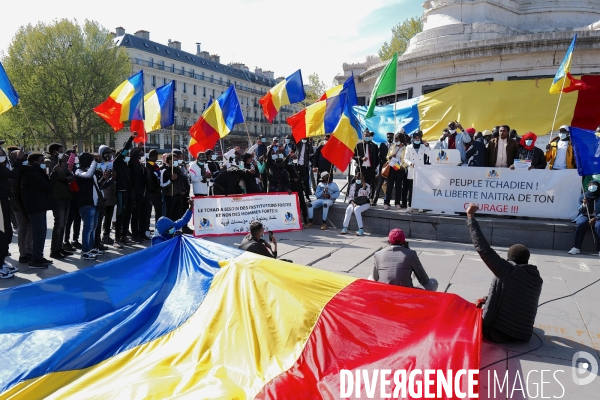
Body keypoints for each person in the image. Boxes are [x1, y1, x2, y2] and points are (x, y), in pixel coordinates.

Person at [466, 203, 543, 343]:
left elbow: (483, 248)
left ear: (509, 260)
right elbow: (513, 294)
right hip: (524, 336)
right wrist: (486, 298)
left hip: (498, 334)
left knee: (465, 315)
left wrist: (470, 217)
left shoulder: (508, 270)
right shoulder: (536, 278)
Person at [75, 153, 112, 261]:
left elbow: (97, 186)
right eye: (92, 160)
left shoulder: (90, 171)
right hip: (86, 204)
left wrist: (104, 179)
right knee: (88, 228)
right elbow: (87, 176)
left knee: (93, 228)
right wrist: (95, 162)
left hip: (94, 204)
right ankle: (85, 251)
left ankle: (91, 248)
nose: (94, 162)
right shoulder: (79, 171)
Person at [372, 228, 437, 290]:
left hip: (384, 290)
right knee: (433, 282)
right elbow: (424, 280)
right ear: (404, 242)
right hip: (404, 292)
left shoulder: (378, 254)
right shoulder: (411, 254)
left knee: (370, 277)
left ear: (389, 242)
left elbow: (375, 278)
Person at [20, 152, 54, 268]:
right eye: (41, 161)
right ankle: (35, 259)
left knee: (41, 232)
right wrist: (47, 175)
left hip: (39, 205)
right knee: (39, 232)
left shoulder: (34, 171)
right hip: (35, 206)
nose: (43, 163)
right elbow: (46, 185)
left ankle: (38, 255)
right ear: (35, 161)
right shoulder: (32, 172)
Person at [45, 143, 76, 259]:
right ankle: (54, 250)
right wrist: (63, 162)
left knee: (63, 224)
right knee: (58, 224)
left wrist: (64, 179)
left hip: (66, 195)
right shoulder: (49, 162)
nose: (63, 154)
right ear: (55, 152)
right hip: (57, 197)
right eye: (61, 151)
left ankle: (60, 247)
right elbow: (62, 175)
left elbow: (71, 176)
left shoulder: (60, 162)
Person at [0, 145, 25, 278]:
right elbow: (13, 174)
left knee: (7, 233)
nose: (3, 153)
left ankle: (2, 261)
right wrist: (18, 160)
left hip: (4, 200)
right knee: (2, 233)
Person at [9, 149, 33, 265]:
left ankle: (29, 250)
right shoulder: (13, 171)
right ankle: (23, 253)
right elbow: (14, 193)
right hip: (18, 205)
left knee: (29, 228)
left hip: (25, 203)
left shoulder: (21, 169)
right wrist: (20, 209)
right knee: (23, 228)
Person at [113, 135, 135, 248]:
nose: (127, 156)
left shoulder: (126, 166)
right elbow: (125, 149)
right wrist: (131, 139)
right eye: (126, 155)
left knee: (127, 215)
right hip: (121, 192)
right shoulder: (117, 163)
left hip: (128, 193)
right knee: (120, 215)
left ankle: (124, 236)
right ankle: (117, 239)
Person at [568, 181, 600, 256]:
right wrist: (583, 204)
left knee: (599, 226)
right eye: (590, 185)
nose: (592, 186)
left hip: (597, 217)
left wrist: (595, 218)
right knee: (581, 224)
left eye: (594, 185)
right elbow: (579, 209)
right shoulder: (584, 196)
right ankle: (576, 247)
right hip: (584, 215)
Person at [403, 131, 432, 209]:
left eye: (418, 138)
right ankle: (410, 205)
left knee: (421, 189)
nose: (417, 139)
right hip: (412, 170)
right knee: (411, 189)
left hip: (421, 171)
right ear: (413, 139)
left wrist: (427, 146)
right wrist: (410, 163)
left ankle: (420, 206)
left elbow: (430, 153)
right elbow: (405, 159)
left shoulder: (423, 147)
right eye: (415, 138)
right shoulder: (409, 147)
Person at [384, 132, 407, 210]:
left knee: (398, 186)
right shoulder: (393, 146)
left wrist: (403, 167)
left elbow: (407, 159)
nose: (395, 140)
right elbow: (387, 156)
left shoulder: (405, 148)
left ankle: (397, 203)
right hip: (392, 167)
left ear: (401, 139)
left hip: (400, 169)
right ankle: (386, 203)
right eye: (395, 138)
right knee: (389, 186)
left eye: (397, 138)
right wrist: (390, 156)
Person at [354, 130, 379, 194]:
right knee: (359, 182)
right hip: (360, 168)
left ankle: (369, 198)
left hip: (370, 168)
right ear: (363, 136)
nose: (367, 137)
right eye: (366, 136)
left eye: (368, 136)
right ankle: (357, 196)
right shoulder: (358, 145)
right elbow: (353, 156)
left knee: (370, 183)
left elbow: (376, 158)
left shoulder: (373, 146)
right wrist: (361, 158)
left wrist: (374, 167)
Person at [372, 132, 393, 206]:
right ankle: (374, 200)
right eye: (388, 137)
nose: (389, 138)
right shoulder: (382, 145)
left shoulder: (394, 146)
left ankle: (386, 201)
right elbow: (379, 156)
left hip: (391, 168)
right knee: (379, 184)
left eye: (391, 137)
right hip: (383, 167)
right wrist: (386, 161)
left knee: (388, 185)